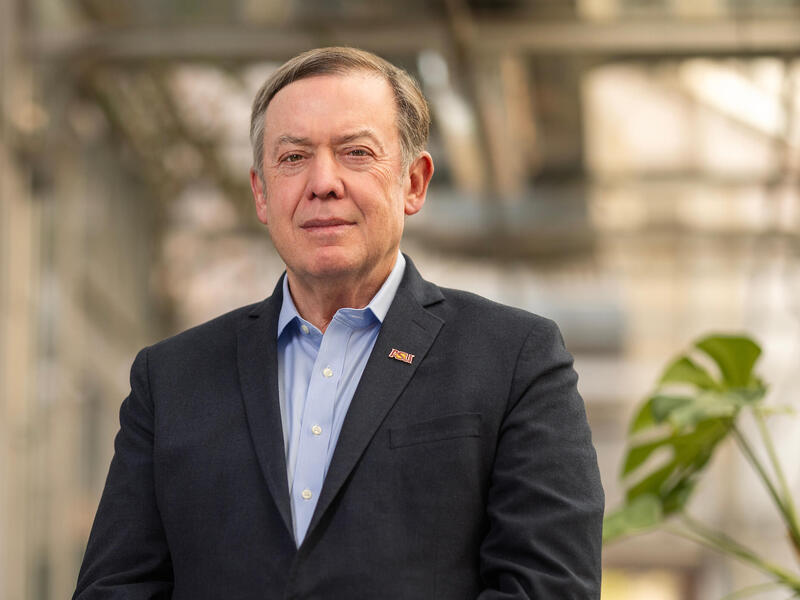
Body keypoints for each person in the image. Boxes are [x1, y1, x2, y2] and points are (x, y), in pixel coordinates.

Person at [74, 47, 604, 599]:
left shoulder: (513, 359)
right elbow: (117, 588)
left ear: (414, 183)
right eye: (293, 157)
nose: (323, 182)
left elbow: (548, 587)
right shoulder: (171, 378)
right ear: (261, 192)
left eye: (355, 152)